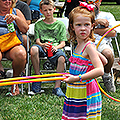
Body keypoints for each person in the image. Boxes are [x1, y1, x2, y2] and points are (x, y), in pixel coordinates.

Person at [61, 2, 107, 119]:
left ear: (92, 25)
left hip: (85, 93)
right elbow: (104, 61)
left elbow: (100, 70)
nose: (82, 28)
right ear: (72, 26)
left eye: (86, 24)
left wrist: (77, 78)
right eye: (78, 25)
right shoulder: (80, 45)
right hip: (76, 91)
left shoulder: (89, 46)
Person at [30, 0, 67, 96]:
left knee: (62, 58)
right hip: (43, 46)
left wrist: (56, 47)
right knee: (33, 49)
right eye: (45, 10)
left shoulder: (60, 25)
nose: (48, 12)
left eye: (50, 10)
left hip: (55, 47)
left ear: (54, 9)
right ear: (41, 11)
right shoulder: (38, 24)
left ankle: (57, 87)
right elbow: (37, 40)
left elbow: (63, 43)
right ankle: (38, 78)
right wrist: (42, 44)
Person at [0, 0, 29, 96]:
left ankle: (14, 82)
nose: (7, 1)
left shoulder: (16, 11)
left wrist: (16, 18)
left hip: (11, 44)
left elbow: (25, 29)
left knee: (21, 54)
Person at [93, 0, 116, 92]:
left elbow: (113, 33)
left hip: (102, 43)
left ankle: (106, 76)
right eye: (90, 1)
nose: (94, 4)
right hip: (85, 43)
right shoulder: (81, 14)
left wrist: (95, 30)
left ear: (100, 2)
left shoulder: (108, 15)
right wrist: (96, 22)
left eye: (96, 1)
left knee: (108, 54)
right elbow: (78, 32)